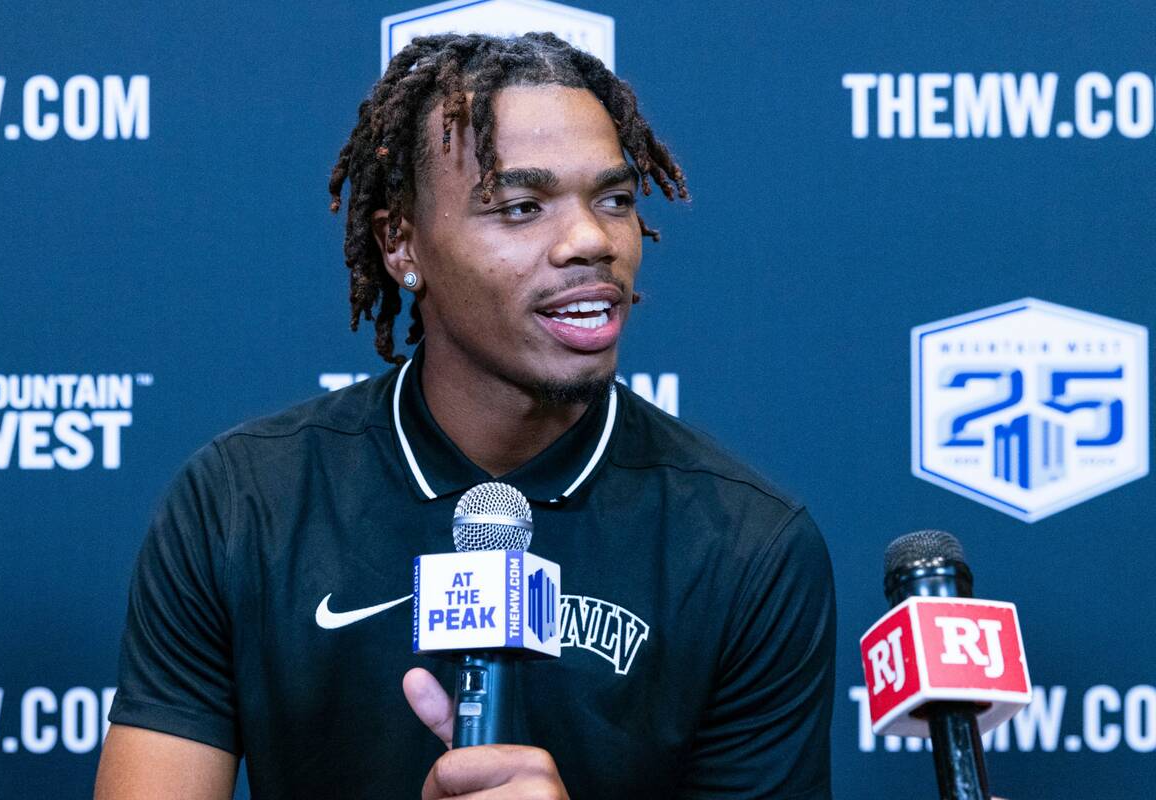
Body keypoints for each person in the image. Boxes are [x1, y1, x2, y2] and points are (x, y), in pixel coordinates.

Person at [94, 32, 835, 799]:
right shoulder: (240, 505)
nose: (592, 240)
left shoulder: (750, 547)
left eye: (613, 199)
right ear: (401, 244)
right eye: (520, 206)